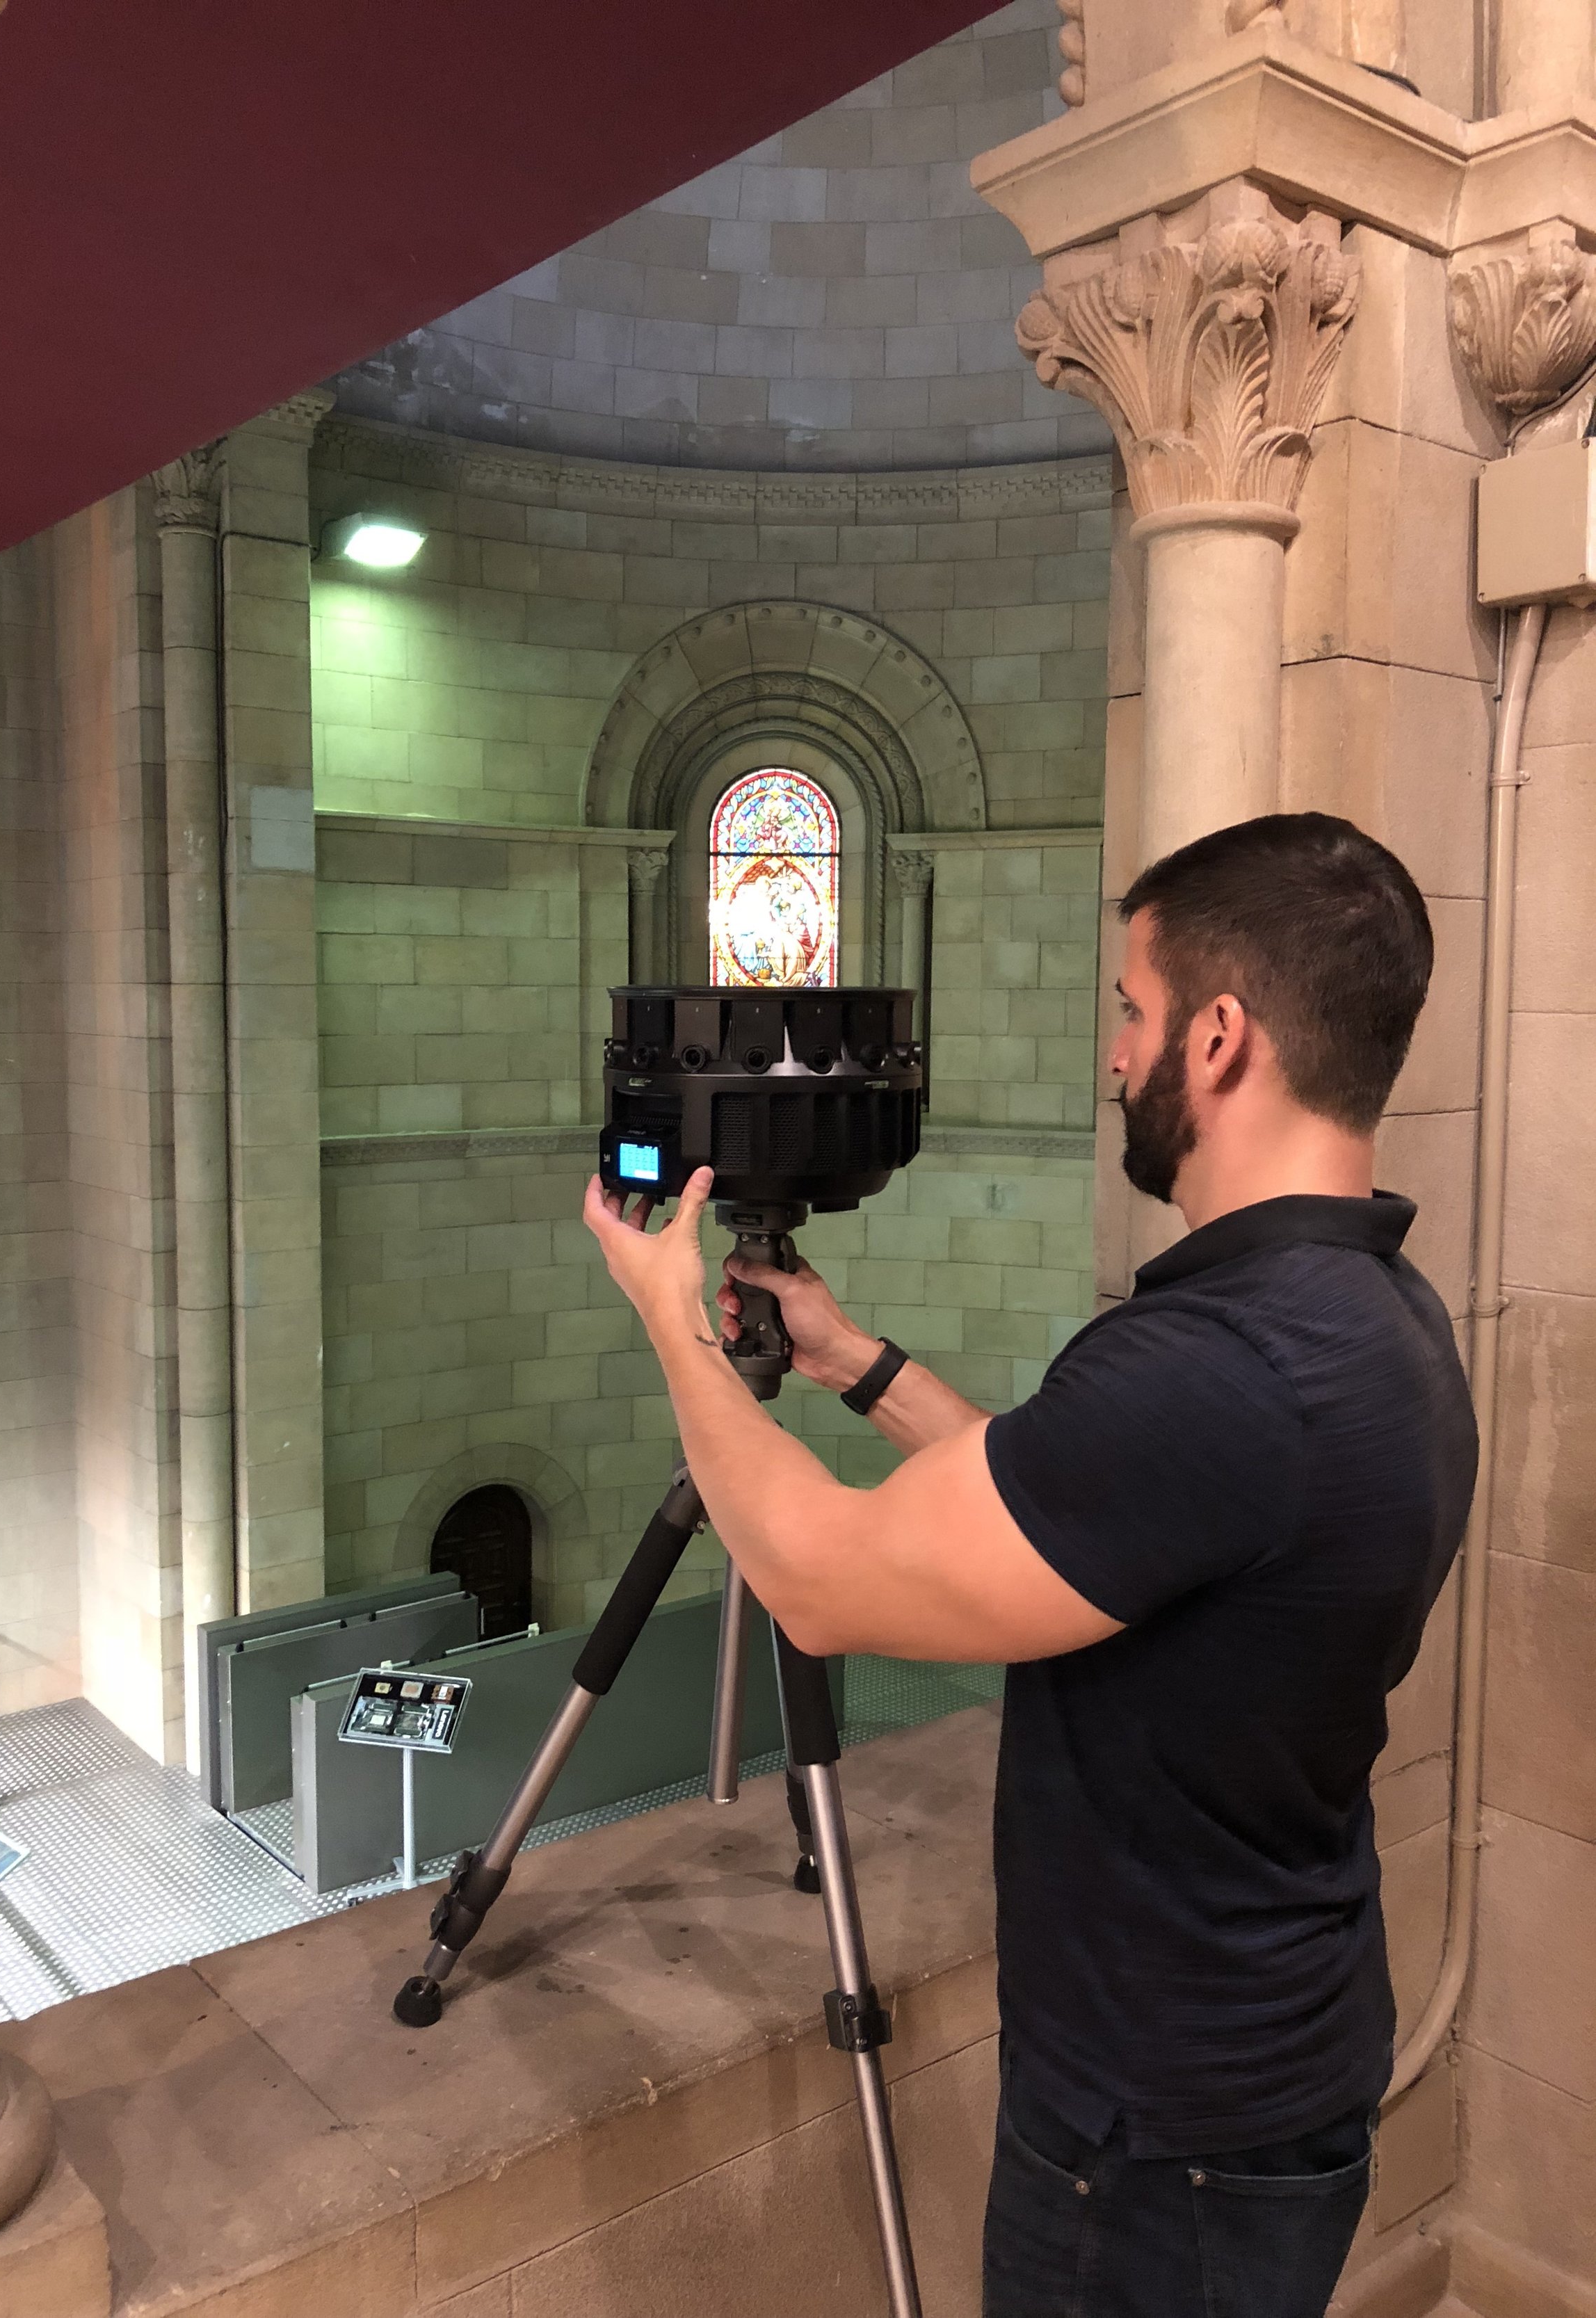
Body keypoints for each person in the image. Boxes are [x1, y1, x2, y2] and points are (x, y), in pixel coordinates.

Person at [581, 812, 1478, 2318]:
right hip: (1279, 2050)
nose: (1116, 1055)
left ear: (1217, 1037)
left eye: (1133, 1010)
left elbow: (817, 1580)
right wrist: (852, 1360)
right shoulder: (1380, 1314)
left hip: (1155, 2136)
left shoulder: (1217, 1365)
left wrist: (670, 1316)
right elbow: (1086, 1518)